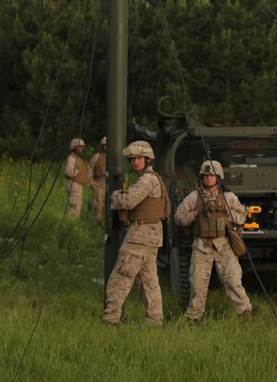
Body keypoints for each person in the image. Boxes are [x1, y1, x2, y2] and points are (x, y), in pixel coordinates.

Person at [174, 159, 252, 322]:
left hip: (224, 245)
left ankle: (244, 313)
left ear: (218, 177)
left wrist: (227, 213)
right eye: (206, 175)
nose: (209, 178)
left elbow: (242, 216)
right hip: (201, 246)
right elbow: (179, 218)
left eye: (212, 175)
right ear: (202, 177)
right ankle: (193, 317)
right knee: (197, 284)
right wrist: (195, 214)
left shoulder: (228, 197)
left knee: (232, 280)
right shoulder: (194, 197)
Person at [102, 140, 169, 327]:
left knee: (121, 275)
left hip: (140, 235)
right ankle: (155, 321)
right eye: (132, 159)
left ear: (147, 159)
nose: (134, 162)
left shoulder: (147, 179)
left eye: (138, 158)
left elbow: (128, 201)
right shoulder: (152, 178)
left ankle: (110, 319)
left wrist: (114, 196)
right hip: (150, 236)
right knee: (147, 281)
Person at [65, 138, 89, 218]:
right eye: (79, 147)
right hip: (73, 185)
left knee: (77, 207)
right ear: (74, 147)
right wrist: (78, 169)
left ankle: (71, 224)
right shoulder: (71, 158)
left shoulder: (77, 158)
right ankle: (70, 225)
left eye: (82, 147)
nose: (81, 149)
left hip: (77, 185)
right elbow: (69, 172)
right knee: (74, 207)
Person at [88, 136, 107, 223]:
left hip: (110, 183)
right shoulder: (96, 157)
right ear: (102, 146)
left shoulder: (114, 157)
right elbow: (90, 169)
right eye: (105, 145)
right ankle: (97, 222)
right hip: (98, 184)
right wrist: (90, 183)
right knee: (98, 205)